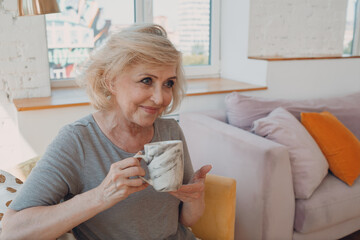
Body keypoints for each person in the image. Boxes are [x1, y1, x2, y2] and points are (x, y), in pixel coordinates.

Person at [1, 24, 212, 240]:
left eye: (168, 83)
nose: (160, 98)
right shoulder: (77, 141)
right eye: (146, 81)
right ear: (111, 80)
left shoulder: (171, 130)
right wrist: (101, 196)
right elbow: (13, 231)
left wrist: (195, 198)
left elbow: (186, 220)